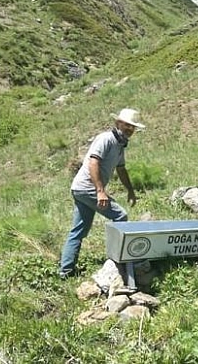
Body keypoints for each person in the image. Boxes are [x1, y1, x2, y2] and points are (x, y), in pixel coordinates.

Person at [59, 108, 144, 278]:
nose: (129, 129)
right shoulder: (106, 139)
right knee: (120, 216)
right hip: (86, 188)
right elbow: (93, 162)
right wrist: (100, 191)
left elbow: (121, 169)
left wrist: (130, 191)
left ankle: (65, 271)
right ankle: (117, 260)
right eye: (127, 125)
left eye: (132, 127)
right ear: (118, 123)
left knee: (79, 230)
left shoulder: (119, 145)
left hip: (80, 189)